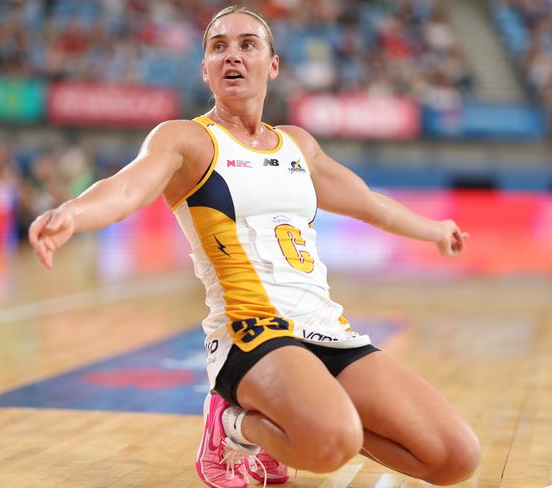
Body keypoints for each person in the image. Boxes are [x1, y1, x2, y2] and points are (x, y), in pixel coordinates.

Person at [29, 5, 480, 488]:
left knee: (455, 457)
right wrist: (71, 213)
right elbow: (123, 189)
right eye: (218, 47)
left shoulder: (298, 146)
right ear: (205, 68)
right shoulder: (187, 140)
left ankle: (285, 427)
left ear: (273, 64)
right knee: (334, 442)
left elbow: (369, 203)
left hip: (326, 330)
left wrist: (434, 229)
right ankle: (231, 425)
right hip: (251, 333)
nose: (233, 56)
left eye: (248, 45)